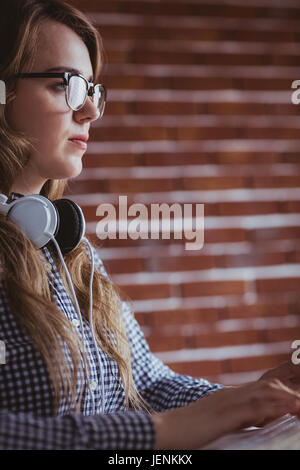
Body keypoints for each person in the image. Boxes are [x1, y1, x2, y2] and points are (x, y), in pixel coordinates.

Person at [0, 0, 299, 450]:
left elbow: (147, 384)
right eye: (67, 85)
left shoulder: (71, 251)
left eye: (92, 90)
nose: (90, 112)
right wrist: (163, 434)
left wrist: (248, 400)